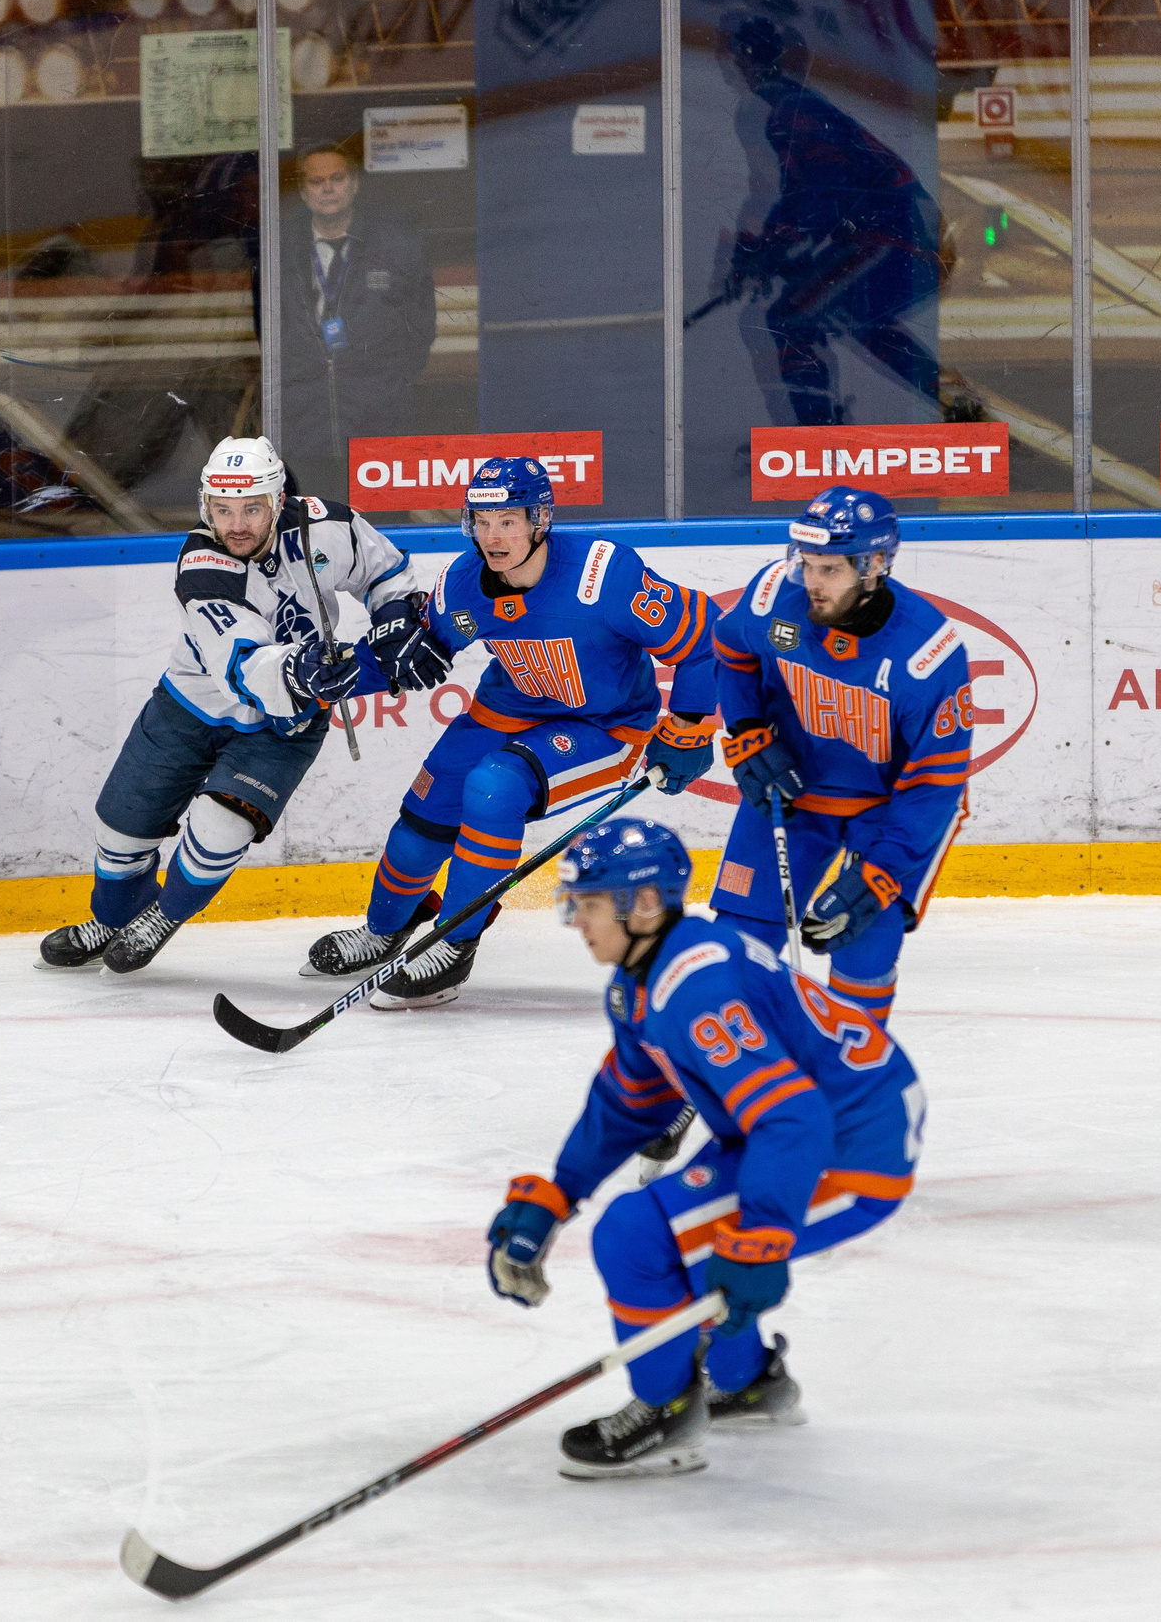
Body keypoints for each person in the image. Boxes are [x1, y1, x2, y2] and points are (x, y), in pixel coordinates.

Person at [482, 817, 926, 1479]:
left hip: (851, 1151)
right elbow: (630, 1100)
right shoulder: (643, 977)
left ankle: (666, 1411)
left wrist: (766, 1233)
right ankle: (745, 1382)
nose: (578, 920)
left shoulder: (695, 985)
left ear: (647, 903)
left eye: (593, 903)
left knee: (636, 1234)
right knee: (685, 1231)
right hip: (815, 1126)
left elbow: (794, 1116)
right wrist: (560, 1191)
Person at [300, 455, 718, 1009]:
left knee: (495, 787)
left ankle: (454, 944)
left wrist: (689, 725)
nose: (493, 536)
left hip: (604, 726)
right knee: (419, 827)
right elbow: (415, 651)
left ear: (539, 520)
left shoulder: (604, 575)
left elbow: (705, 635)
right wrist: (343, 672)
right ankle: (383, 934)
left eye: (509, 520)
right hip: (505, 710)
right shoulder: (463, 585)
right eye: (482, 520)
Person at [37, 435, 424, 976]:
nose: (235, 524)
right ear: (205, 506)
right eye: (222, 510)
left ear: (278, 500)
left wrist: (398, 615)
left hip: (283, 726)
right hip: (189, 707)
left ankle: (164, 917)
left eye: (250, 509)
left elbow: (386, 572)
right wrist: (299, 669)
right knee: (120, 834)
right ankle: (112, 918)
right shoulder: (203, 565)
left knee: (222, 827)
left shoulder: (326, 526)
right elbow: (241, 664)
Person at [707, 486, 972, 1028]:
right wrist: (749, 730)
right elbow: (732, 652)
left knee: (865, 938)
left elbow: (934, 786)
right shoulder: (770, 597)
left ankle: (854, 1068)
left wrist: (883, 873)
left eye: (828, 569)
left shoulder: (928, 656)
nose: (810, 583)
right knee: (736, 947)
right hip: (795, 789)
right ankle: (721, 1073)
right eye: (805, 564)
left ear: (874, 565)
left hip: (885, 808)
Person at [713, 14, 949, 427]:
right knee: (857, 320)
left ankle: (819, 437)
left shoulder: (785, 110)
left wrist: (775, 247)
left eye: (736, 59)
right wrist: (760, 250)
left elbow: (824, 192)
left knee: (791, 318)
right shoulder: (791, 104)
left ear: (748, 61)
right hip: (907, 229)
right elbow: (791, 196)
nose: (733, 70)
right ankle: (967, 412)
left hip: (895, 231)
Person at [278, 143, 437, 491]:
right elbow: (270, 327)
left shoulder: (395, 246)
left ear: (354, 184)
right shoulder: (281, 249)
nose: (328, 188)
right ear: (303, 193)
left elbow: (421, 325)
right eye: (316, 181)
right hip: (306, 422)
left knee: (381, 525)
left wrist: (390, 379)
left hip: (379, 416)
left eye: (337, 178)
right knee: (317, 526)